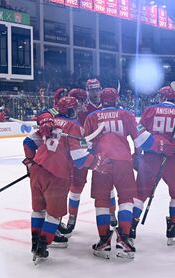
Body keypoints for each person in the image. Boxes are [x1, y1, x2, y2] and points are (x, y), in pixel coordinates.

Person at [22, 97, 107, 264]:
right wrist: (96, 162)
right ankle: (43, 245)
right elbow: (79, 158)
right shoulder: (74, 126)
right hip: (57, 175)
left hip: (38, 171)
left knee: (39, 210)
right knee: (54, 214)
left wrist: (30, 163)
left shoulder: (49, 122)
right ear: (70, 110)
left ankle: (35, 243)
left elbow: (28, 142)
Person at [83, 88, 164, 259]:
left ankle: (104, 242)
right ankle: (124, 240)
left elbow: (86, 147)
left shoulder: (92, 117)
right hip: (123, 161)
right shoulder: (126, 115)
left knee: (102, 201)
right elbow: (142, 140)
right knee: (126, 199)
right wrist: (143, 152)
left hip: (101, 163)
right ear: (116, 99)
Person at [130, 83, 175, 246]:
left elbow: (138, 134)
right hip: (172, 160)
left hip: (150, 158)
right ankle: (172, 229)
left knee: (140, 193)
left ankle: (131, 228)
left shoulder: (150, 110)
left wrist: (139, 153)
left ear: (161, 97)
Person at [59, 79, 117, 236]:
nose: (95, 92)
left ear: (101, 89)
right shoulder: (81, 108)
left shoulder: (109, 107)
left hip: (102, 152)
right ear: (87, 91)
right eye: (91, 90)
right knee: (76, 187)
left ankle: (112, 214)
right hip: (82, 152)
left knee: (108, 187)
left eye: (97, 89)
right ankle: (72, 218)